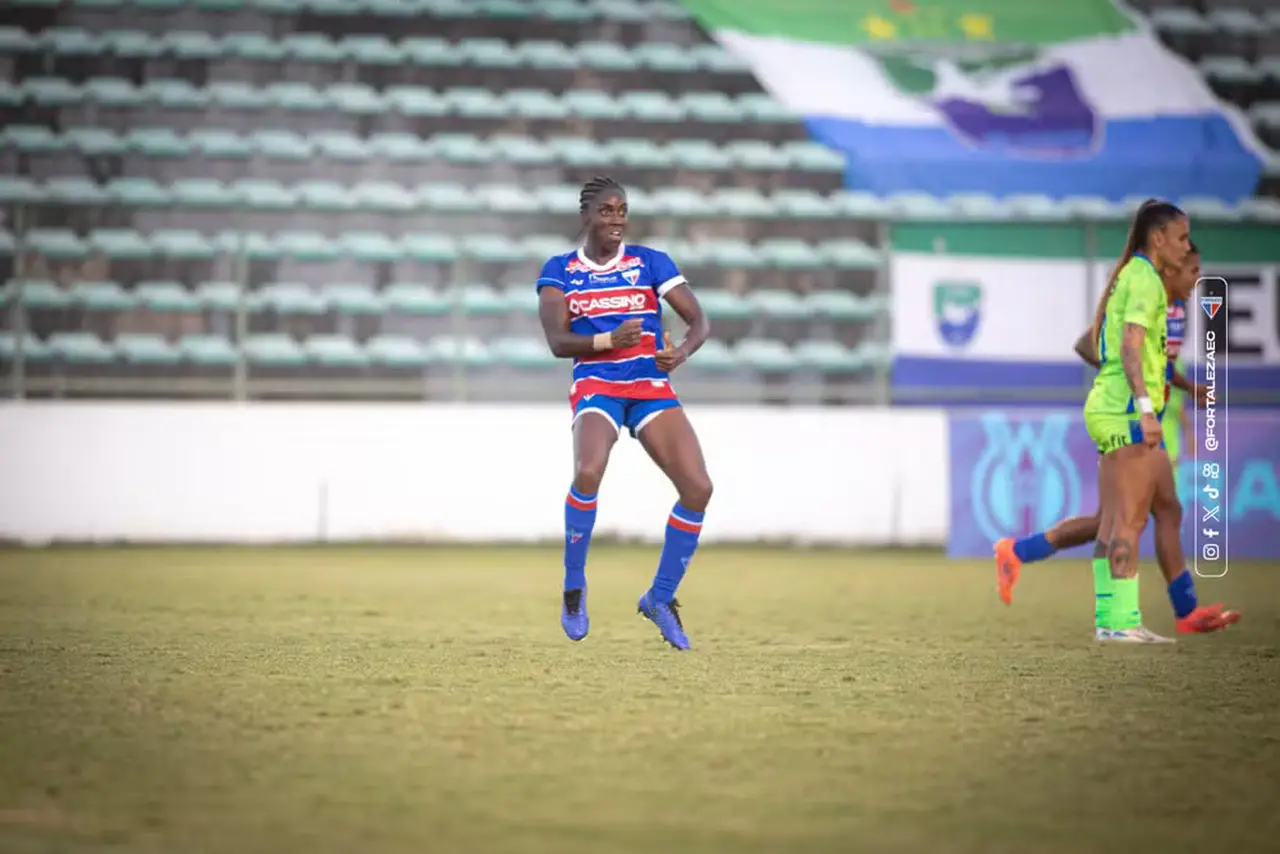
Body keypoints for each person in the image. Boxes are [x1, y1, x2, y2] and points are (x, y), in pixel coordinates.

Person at [996, 212, 1237, 641]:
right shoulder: (1145, 281)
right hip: (1124, 410)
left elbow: (1136, 355)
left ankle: (1160, 613)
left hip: (1119, 406)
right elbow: (1126, 350)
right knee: (1127, 520)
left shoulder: (1143, 282)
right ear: (1161, 240)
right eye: (1184, 243)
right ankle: (1118, 621)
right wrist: (1144, 406)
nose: (1189, 251)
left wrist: (1176, 389)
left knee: (1153, 509)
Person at [535, 176, 712, 651]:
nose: (616, 219)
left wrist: (681, 355)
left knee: (698, 488)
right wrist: (608, 342)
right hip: (598, 386)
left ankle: (659, 598)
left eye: (622, 210)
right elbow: (557, 342)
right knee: (589, 470)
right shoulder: (560, 270)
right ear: (586, 217)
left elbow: (699, 321)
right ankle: (574, 587)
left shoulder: (651, 262)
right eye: (606, 211)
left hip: (650, 387)